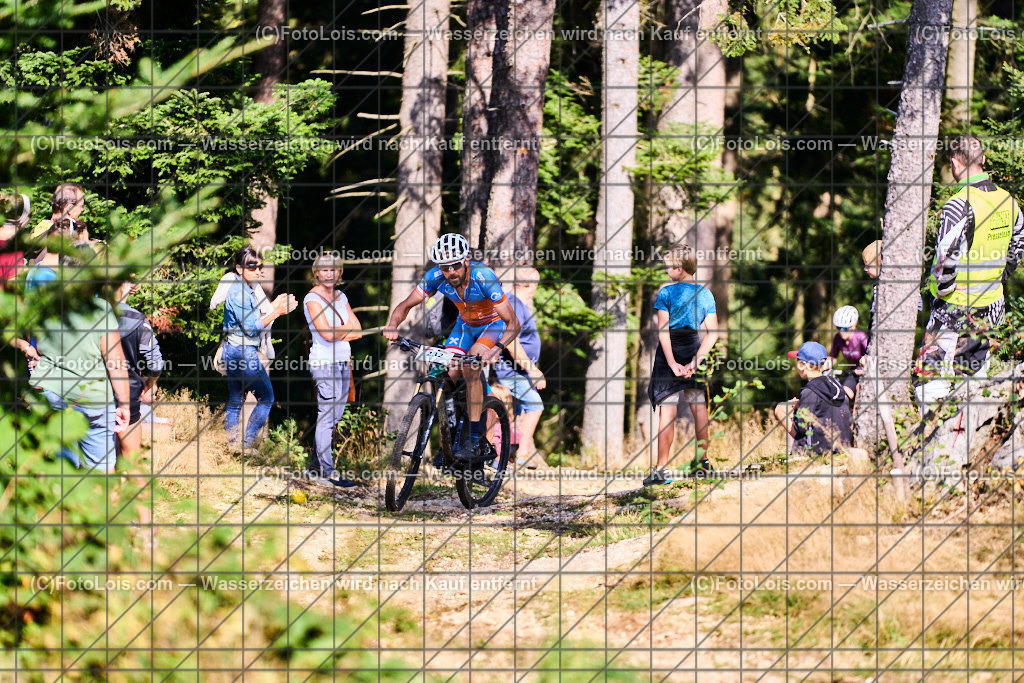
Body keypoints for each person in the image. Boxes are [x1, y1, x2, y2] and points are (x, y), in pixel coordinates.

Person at [383, 233, 521, 464]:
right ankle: (454, 432)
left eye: (456, 265)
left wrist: (496, 349)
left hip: (492, 325)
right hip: (464, 326)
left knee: (470, 368)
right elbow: (407, 304)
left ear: (466, 260)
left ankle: (475, 437)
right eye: (445, 267)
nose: (451, 272)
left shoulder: (483, 277)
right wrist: (393, 325)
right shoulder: (435, 277)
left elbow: (513, 323)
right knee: (447, 372)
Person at [919, 133, 1024, 399]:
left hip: (955, 308)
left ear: (955, 163)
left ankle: (928, 441)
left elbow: (944, 257)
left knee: (929, 385)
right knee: (973, 383)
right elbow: (1019, 245)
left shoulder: (958, 205)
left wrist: (942, 293)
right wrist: (999, 276)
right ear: (983, 159)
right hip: (991, 307)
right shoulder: (1008, 200)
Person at [14, 288, 131, 472]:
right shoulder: (100, 308)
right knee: (100, 473)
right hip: (93, 398)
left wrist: (28, 348)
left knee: (59, 468)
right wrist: (124, 404)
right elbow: (115, 363)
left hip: (52, 393)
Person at [644, 245, 719, 486]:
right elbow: (712, 333)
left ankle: (660, 470)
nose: (666, 270)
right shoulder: (705, 294)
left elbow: (663, 331)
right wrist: (696, 361)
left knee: (668, 412)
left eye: (668, 266)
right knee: (699, 408)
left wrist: (672, 363)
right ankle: (702, 464)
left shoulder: (665, 293)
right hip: (694, 348)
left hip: (670, 352)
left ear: (679, 268)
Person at [221, 248, 296, 450]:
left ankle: (229, 445)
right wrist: (278, 311)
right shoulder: (239, 292)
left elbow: (254, 319)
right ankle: (246, 445)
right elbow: (252, 326)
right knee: (267, 397)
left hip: (234, 350)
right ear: (239, 268)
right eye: (252, 266)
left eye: (260, 266)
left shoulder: (247, 288)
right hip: (243, 352)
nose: (257, 270)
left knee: (236, 398)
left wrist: (274, 305)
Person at [303, 252, 362, 487]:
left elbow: (358, 330)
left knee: (336, 415)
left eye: (333, 269)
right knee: (327, 415)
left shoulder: (341, 296)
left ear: (339, 274)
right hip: (324, 363)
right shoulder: (311, 299)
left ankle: (315, 465)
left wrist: (338, 329)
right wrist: (343, 328)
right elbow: (326, 335)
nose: (329, 274)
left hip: (342, 362)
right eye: (324, 269)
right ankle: (328, 471)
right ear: (317, 273)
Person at [493, 267, 547, 470]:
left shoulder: (518, 304)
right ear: (531, 286)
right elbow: (510, 342)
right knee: (535, 407)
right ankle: (523, 454)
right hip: (510, 371)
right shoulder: (514, 303)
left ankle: (505, 456)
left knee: (513, 415)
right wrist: (532, 369)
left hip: (518, 371)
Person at [774, 341, 853, 458]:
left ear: (804, 365)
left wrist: (796, 411)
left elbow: (801, 427)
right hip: (845, 444)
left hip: (822, 449)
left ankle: (799, 452)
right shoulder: (835, 383)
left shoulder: (809, 391)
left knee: (780, 408)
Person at [114, 280, 165, 456]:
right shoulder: (135, 319)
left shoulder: (83, 315)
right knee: (130, 458)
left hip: (90, 394)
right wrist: (150, 383)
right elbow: (155, 363)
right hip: (127, 394)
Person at [825, 305, 868, 402]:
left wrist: (865, 366)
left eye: (845, 328)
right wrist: (821, 366)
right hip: (853, 373)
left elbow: (870, 356)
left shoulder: (860, 337)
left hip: (865, 371)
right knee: (844, 392)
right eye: (838, 327)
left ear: (853, 326)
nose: (841, 331)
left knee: (859, 389)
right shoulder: (838, 338)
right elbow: (833, 358)